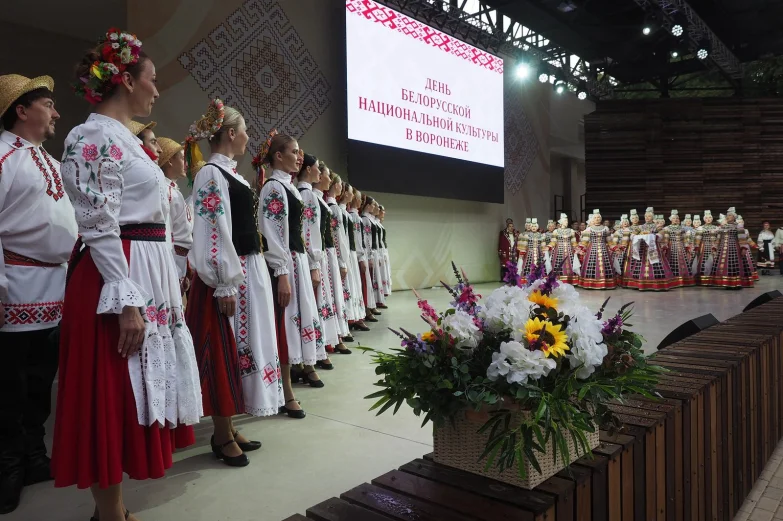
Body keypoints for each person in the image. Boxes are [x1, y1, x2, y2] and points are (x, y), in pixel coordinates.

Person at [53, 30, 202, 521]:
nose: (157, 90)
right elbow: (98, 223)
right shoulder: (92, 135)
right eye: (153, 80)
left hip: (141, 271)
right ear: (126, 80)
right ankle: (109, 512)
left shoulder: (127, 141)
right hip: (112, 278)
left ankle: (111, 509)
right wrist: (127, 301)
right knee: (109, 391)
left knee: (128, 390)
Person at [186, 100, 285, 467]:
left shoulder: (230, 174)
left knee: (242, 348)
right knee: (226, 350)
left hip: (247, 268)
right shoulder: (211, 174)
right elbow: (213, 229)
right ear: (230, 133)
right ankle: (221, 432)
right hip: (231, 274)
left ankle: (227, 426)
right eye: (243, 131)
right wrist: (224, 282)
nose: (247, 138)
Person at [0, 74, 78, 514]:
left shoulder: (47, 159)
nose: (56, 112)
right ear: (22, 110)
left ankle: (32, 454)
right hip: (14, 285)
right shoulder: (2, 155)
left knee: (38, 380)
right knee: (7, 383)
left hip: (53, 285)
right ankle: (7, 464)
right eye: (48, 104)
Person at [258, 133, 327, 416]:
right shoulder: (274, 188)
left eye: (300, 153)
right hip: (284, 266)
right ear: (278, 156)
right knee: (284, 326)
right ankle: (285, 391)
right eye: (295, 152)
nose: (299, 157)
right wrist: (282, 272)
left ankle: (288, 385)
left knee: (292, 326)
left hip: (295, 262)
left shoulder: (289, 187)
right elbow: (273, 233)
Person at [297, 153, 336, 373]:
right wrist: (314, 262)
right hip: (308, 258)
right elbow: (309, 232)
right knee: (314, 304)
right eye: (318, 170)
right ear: (309, 170)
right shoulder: (308, 196)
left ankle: (316, 351)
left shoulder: (308, 195)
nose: (321, 175)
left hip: (309, 257)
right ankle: (313, 354)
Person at [156, 137, 192, 292]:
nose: (187, 164)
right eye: (182, 158)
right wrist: (179, 273)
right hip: (171, 262)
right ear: (170, 161)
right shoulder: (169, 192)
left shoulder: (170, 190)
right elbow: (178, 237)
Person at [324, 169, 352, 353]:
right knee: (333, 295)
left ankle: (339, 333)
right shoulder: (332, 208)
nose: (342, 188)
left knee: (336, 296)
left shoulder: (332, 207)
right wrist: (342, 261)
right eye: (341, 184)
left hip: (334, 254)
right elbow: (336, 237)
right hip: (330, 254)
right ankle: (335, 337)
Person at [623, 207, 674, 291]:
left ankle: (656, 282)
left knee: (656, 262)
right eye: (646, 216)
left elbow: (662, 233)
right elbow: (633, 234)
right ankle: (641, 282)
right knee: (640, 263)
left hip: (654, 248)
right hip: (643, 249)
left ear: (652, 217)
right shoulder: (641, 226)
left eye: (649, 216)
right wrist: (636, 237)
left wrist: (655, 236)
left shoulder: (656, 226)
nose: (647, 218)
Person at [340, 184, 369, 332]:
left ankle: (357, 315)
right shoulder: (350, 216)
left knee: (355, 286)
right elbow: (354, 239)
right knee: (351, 286)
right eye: (353, 195)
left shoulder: (351, 216)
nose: (358, 200)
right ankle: (353, 317)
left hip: (352, 253)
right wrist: (361, 256)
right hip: (349, 254)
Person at [707, 207, 754, 288]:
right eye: (727, 216)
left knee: (733, 264)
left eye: (730, 216)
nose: (728, 217)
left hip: (734, 248)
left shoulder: (738, 226)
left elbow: (742, 238)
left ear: (734, 217)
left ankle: (735, 282)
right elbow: (718, 237)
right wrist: (715, 247)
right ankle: (722, 282)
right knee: (722, 264)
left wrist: (743, 248)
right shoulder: (723, 227)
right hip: (722, 248)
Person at [352, 190, 378, 322]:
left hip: (364, 253)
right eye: (372, 205)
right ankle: (366, 310)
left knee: (367, 282)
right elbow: (364, 239)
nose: (375, 208)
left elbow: (367, 239)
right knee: (363, 283)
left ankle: (369, 308)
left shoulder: (363, 219)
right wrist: (366, 255)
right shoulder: (360, 218)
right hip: (359, 254)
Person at [576, 210, 617, 289]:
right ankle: (591, 283)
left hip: (603, 249)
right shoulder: (589, 229)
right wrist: (580, 249)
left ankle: (605, 283)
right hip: (592, 250)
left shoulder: (605, 228)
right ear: (593, 219)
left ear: (601, 219)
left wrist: (615, 248)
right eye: (595, 217)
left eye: (598, 217)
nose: (597, 219)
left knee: (605, 265)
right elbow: (585, 242)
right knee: (592, 264)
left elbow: (610, 241)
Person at [662, 210, 695, 287]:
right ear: (670, 219)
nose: (676, 219)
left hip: (680, 246)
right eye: (674, 218)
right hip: (672, 246)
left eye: (677, 218)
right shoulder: (667, 228)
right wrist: (665, 246)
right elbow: (666, 239)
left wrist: (687, 245)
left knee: (682, 261)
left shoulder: (682, 228)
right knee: (672, 261)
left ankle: (683, 279)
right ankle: (672, 279)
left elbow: (684, 238)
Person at [548, 213, 580, 285]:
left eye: (567, 221)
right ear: (561, 222)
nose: (567, 222)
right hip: (559, 249)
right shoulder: (556, 231)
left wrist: (577, 248)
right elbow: (553, 242)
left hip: (569, 249)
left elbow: (573, 242)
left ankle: (570, 279)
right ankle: (557, 279)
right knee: (558, 263)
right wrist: (548, 247)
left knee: (570, 263)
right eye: (565, 221)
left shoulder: (571, 231)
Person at [377, 205, 392, 297]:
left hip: (382, 250)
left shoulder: (379, 224)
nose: (384, 213)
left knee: (384, 272)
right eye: (382, 211)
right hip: (378, 251)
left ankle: (383, 294)